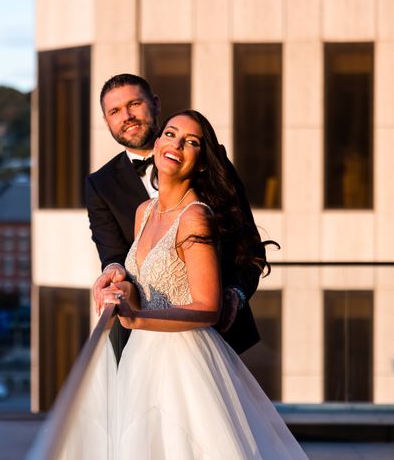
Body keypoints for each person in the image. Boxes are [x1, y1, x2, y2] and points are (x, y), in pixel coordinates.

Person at [68, 110, 305, 459]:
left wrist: (134, 317)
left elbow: (208, 308)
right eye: (170, 134)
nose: (176, 144)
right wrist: (120, 290)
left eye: (191, 142)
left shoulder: (196, 216)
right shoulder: (143, 212)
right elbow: (143, 282)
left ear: (203, 162)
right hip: (141, 357)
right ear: (157, 143)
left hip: (184, 362)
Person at [86, 74, 265, 359]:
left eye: (134, 104)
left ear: (155, 104)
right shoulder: (100, 185)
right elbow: (114, 255)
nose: (127, 116)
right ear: (106, 120)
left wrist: (236, 294)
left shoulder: (210, 160)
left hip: (218, 336)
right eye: (115, 111)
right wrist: (111, 274)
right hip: (142, 340)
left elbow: (250, 247)